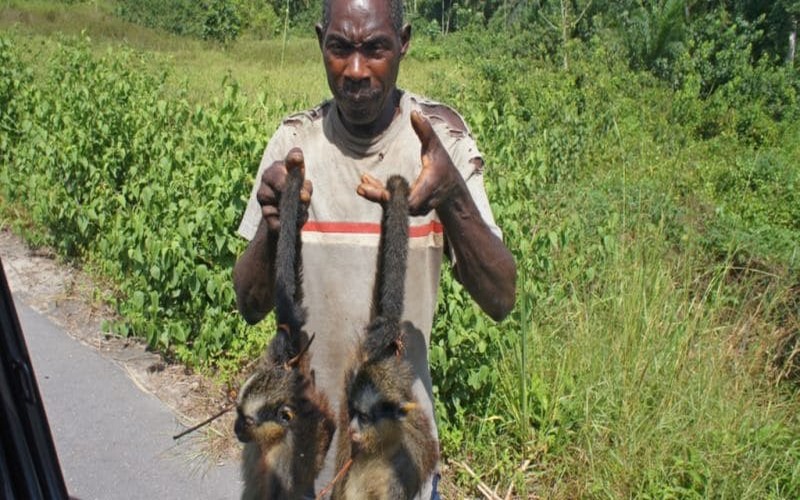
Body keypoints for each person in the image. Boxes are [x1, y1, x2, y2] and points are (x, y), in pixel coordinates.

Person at [232, 0, 516, 496]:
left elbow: (500, 298)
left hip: (392, 465)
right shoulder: (294, 142)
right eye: (340, 48)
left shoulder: (437, 142)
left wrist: (451, 196)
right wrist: (272, 228)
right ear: (321, 40)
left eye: (376, 48)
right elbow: (250, 304)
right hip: (297, 460)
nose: (356, 70)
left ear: (403, 42)